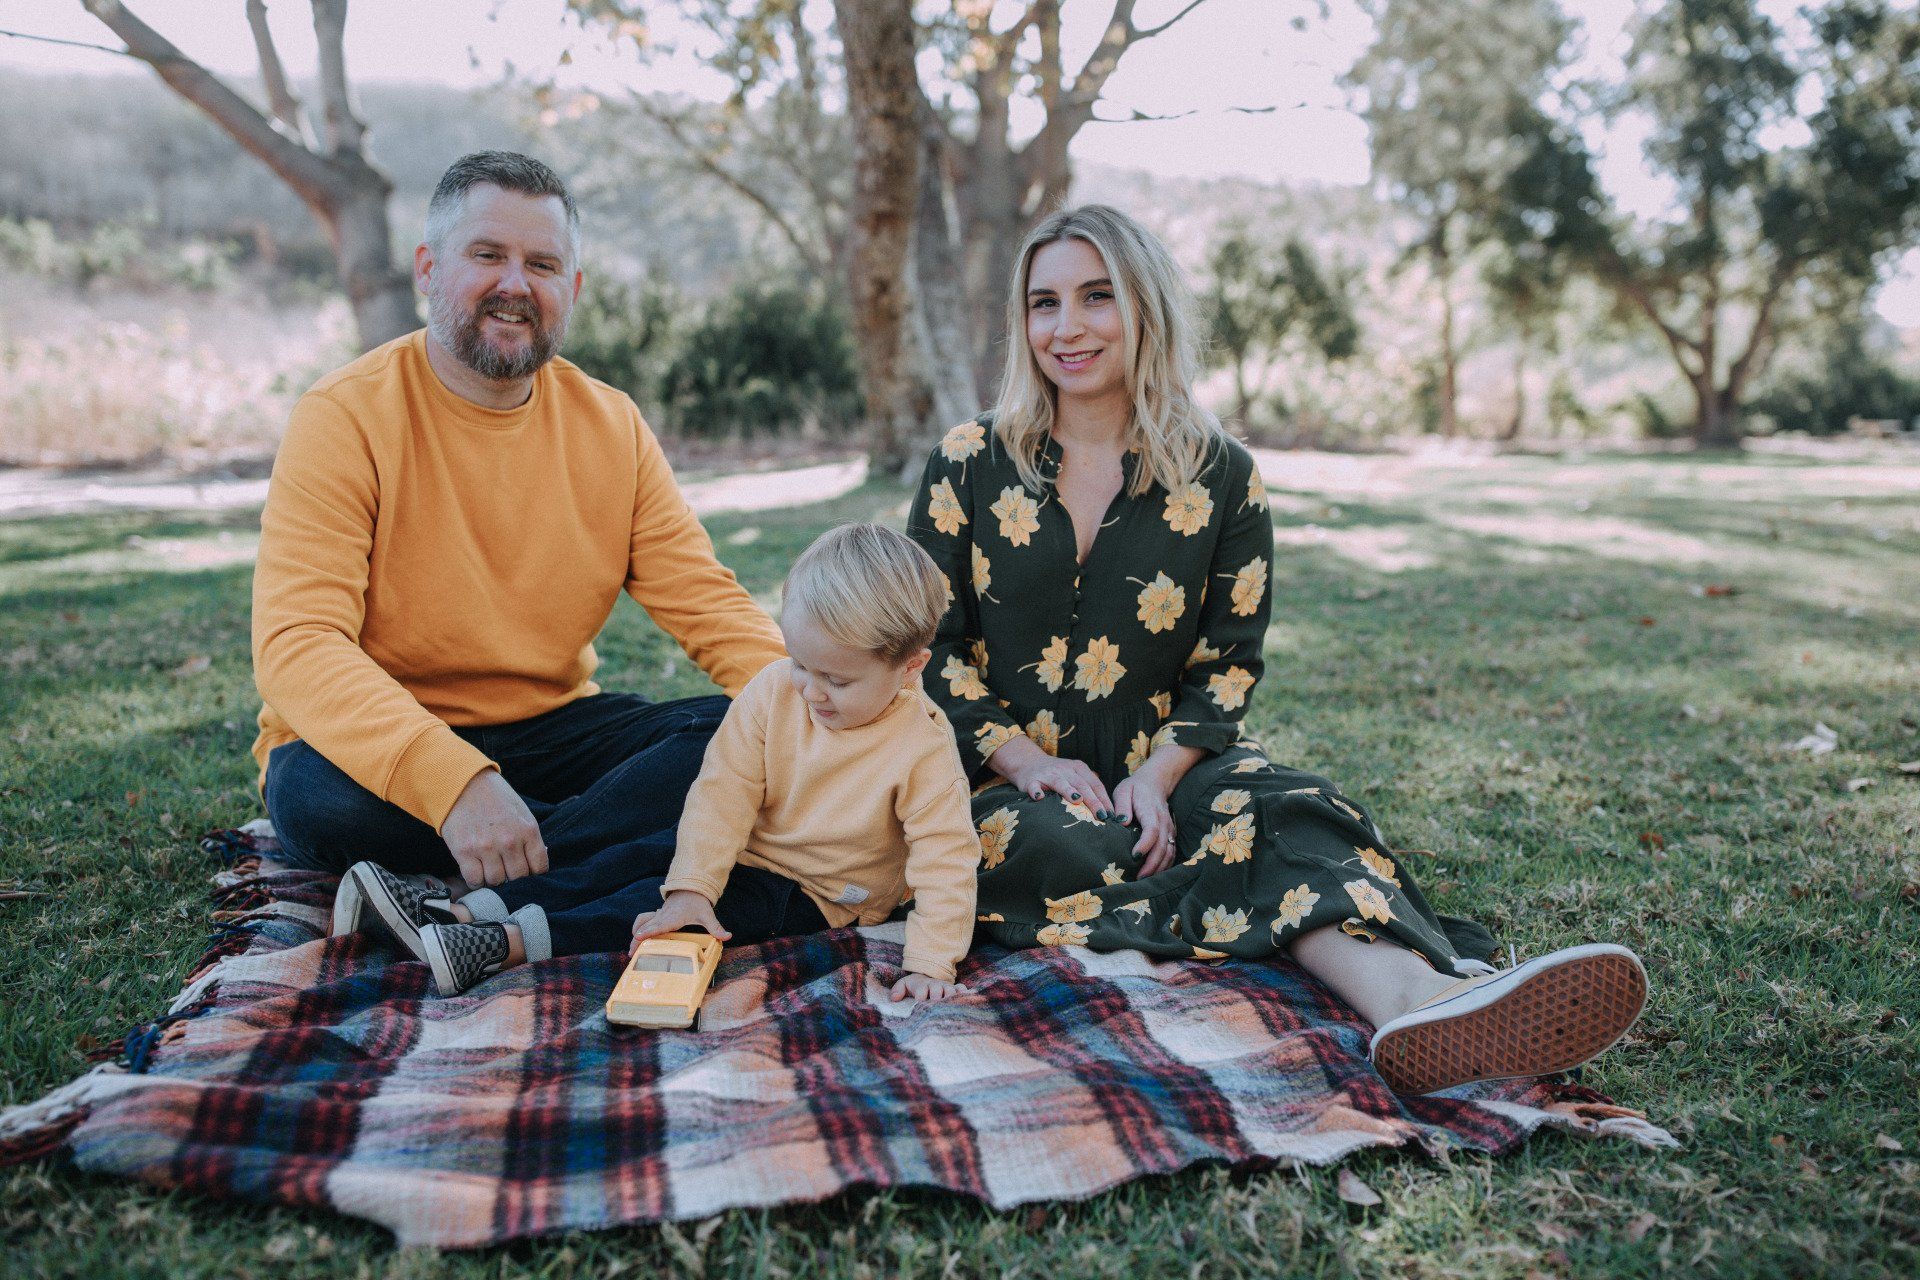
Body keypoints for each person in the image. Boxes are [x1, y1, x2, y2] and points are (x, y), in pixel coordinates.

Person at [905, 204, 1646, 1095]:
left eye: (1097, 297)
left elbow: (1227, 665)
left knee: (1295, 812)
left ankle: (1421, 1001)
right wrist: (1026, 764)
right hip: (1003, 775)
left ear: (1145, 307)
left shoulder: (1222, 474)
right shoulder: (967, 461)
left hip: (1170, 756)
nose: (1068, 328)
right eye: (1044, 303)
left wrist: (1160, 779)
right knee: (1066, 847)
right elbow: (928, 648)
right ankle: (1277, 916)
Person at [252, 151, 785, 898]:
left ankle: (516, 867)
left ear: (573, 288)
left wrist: (815, 707)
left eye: (542, 264)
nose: (515, 285)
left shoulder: (612, 425)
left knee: (755, 733)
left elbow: (707, 601)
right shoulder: (343, 417)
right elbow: (299, 645)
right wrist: (454, 782)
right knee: (319, 799)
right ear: (428, 268)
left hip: (555, 728)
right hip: (384, 738)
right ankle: (604, 852)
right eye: (487, 255)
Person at [336, 523, 980, 1002]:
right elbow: (724, 792)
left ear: (910, 668)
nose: (811, 691)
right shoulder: (774, 692)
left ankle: (499, 946)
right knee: (631, 860)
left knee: (652, 911)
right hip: (743, 844)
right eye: (800, 664)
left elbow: (946, 859)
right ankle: (461, 912)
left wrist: (930, 962)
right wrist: (693, 882)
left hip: (818, 891)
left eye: (836, 680)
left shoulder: (922, 748)